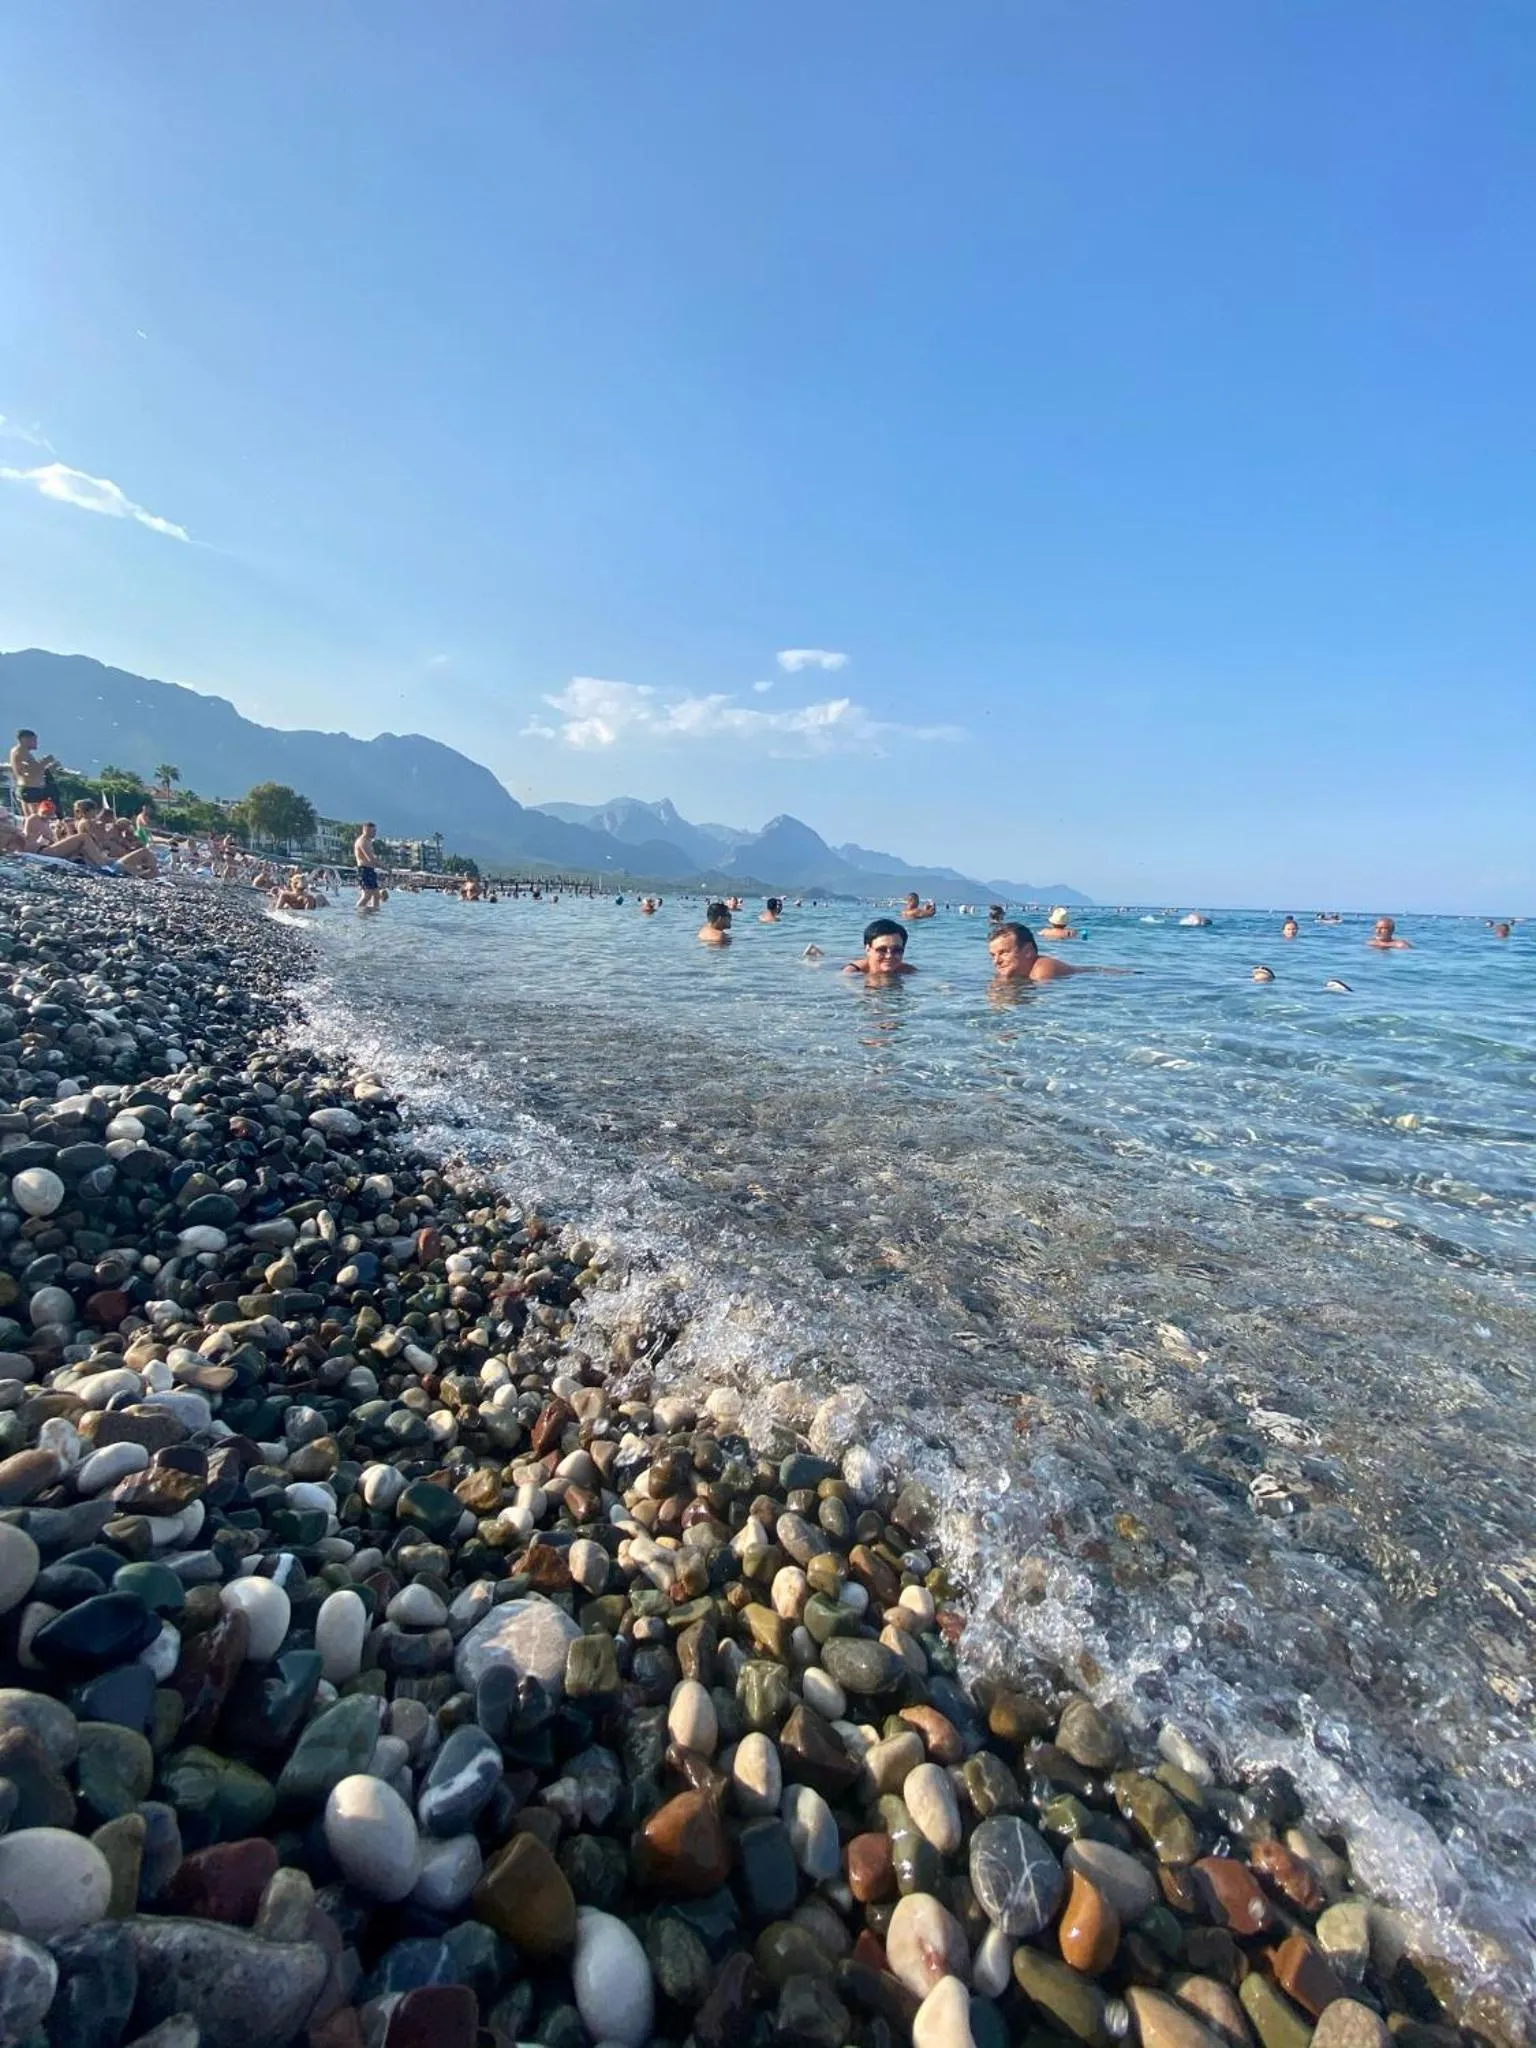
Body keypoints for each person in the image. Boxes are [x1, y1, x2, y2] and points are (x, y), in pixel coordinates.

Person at [988, 921, 1104, 983]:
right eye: (993, 955)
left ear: (1028, 951)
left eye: (1004, 953)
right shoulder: (1008, 969)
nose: (996, 961)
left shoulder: (1042, 969)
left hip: (1101, 976)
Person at [8, 730, 58, 815]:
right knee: (36, 818)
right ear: (24, 740)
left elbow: (30, 770)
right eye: (34, 740)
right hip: (31, 790)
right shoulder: (21, 752)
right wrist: (46, 761)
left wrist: (48, 767)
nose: (36, 743)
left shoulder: (19, 752)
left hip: (27, 789)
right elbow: (31, 772)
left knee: (30, 818)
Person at [846, 918, 916, 978]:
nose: (889, 956)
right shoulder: (852, 972)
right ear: (868, 949)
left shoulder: (908, 971)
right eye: (882, 950)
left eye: (897, 950)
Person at [354, 823, 383, 911]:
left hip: (370, 870)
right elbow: (370, 859)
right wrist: (385, 868)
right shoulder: (362, 841)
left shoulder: (368, 841)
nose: (374, 833)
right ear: (365, 830)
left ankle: (373, 916)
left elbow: (373, 859)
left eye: (375, 831)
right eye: (372, 831)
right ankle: (358, 912)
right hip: (364, 870)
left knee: (376, 895)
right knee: (367, 895)